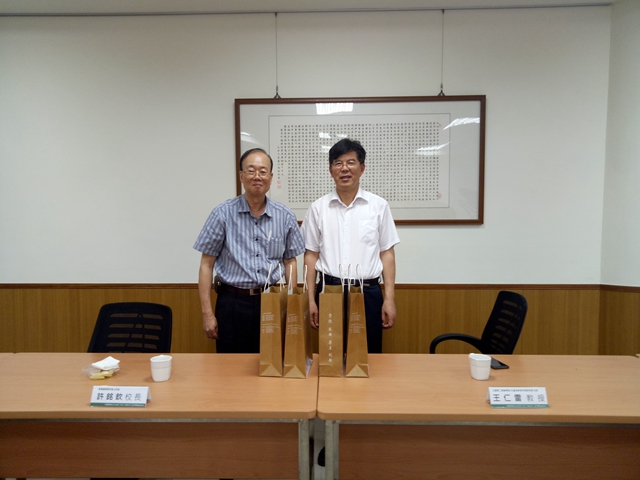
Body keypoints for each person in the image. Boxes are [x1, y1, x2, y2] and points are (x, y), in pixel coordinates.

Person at [194, 148, 305, 353]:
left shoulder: (285, 216)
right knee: (231, 366)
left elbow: (290, 261)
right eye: (251, 170)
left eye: (263, 171)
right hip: (232, 303)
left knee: (272, 361)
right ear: (241, 176)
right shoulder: (222, 213)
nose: (257, 176)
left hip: (272, 299)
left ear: (271, 177)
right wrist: (207, 314)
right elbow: (206, 265)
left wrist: (292, 304)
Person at [301, 138, 400, 354]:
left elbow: (387, 254)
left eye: (351, 162)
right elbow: (310, 255)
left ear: (362, 168)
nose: (344, 168)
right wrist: (310, 300)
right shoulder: (318, 208)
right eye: (338, 163)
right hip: (329, 292)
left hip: (368, 293)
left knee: (367, 356)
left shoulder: (378, 206)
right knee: (330, 358)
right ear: (331, 170)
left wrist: (389, 299)